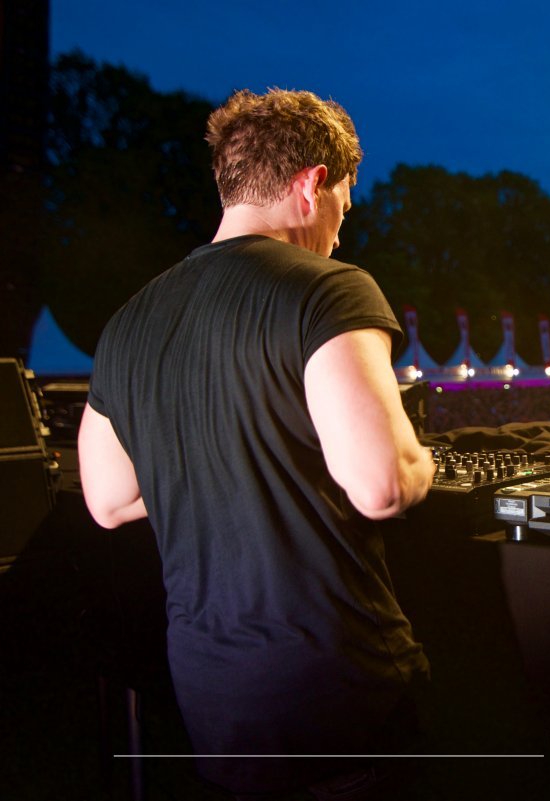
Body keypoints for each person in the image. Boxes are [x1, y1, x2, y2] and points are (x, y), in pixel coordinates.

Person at [77, 88, 435, 798]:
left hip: (211, 693)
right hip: (338, 685)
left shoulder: (130, 320)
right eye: (342, 207)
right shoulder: (329, 290)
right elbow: (382, 484)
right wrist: (420, 460)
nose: (340, 233)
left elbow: (109, 500)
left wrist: (226, 465)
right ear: (311, 185)